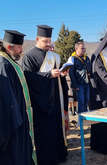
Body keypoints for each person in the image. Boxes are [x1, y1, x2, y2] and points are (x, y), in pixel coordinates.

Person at [22, 25, 68, 165]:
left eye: (49, 41)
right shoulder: (29, 56)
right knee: (45, 134)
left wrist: (61, 74)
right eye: (45, 41)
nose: (48, 44)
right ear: (37, 39)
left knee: (56, 131)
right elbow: (28, 78)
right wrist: (48, 74)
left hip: (55, 100)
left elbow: (56, 76)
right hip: (40, 104)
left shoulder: (53, 56)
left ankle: (60, 155)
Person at [0, 30, 36, 165]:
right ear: (9, 47)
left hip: (21, 116)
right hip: (14, 122)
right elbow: (7, 100)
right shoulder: (3, 64)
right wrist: (18, 121)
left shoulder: (10, 62)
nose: (21, 50)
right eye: (19, 47)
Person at [69, 41, 91, 123]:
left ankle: (85, 119)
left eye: (84, 48)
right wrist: (75, 85)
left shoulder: (87, 58)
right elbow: (71, 73)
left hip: (87, 83)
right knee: (81, 102)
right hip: (79, 84)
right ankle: (81, 121)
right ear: (76, 49)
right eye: (82, 48)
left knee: (86, 100)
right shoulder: (73, 59)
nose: (84, 50)